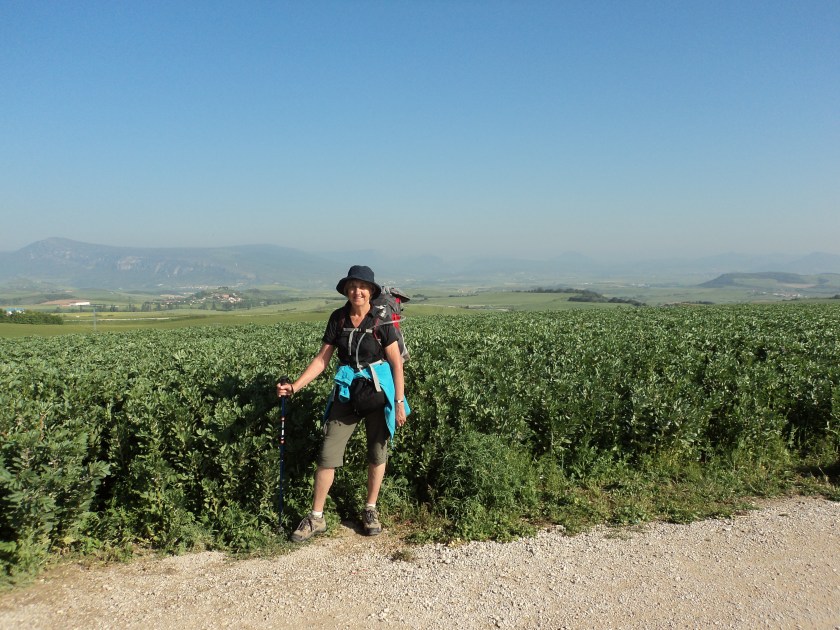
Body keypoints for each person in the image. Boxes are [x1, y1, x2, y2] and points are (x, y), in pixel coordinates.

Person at [277, 265, 409, 542]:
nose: (356, 291)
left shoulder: (381, 319)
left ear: (371, 291)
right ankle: (316, 517)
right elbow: (322, 359)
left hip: (378, 392)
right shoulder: (338, 318)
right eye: (352, 286)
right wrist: (295, 387)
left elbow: (396, 364)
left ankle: (370, 509)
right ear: (346, 290)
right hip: (347, 391)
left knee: (377, 452)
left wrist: (399, 402)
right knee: (328, 454)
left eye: (362, 287)